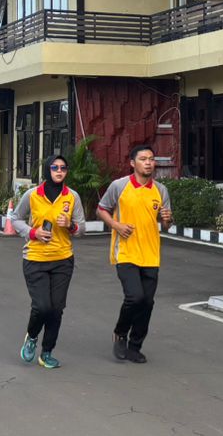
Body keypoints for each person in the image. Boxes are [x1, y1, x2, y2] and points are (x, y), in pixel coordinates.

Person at [97, 144, 172, 364]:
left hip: (151, 254)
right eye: (143, 159)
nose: (148, 163)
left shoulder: (161, 190)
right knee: (135, 297)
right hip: (126, 252)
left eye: (151, 159)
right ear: (132, 163)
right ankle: (120, 333)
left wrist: (167, 219)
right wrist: (116, 225)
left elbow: (166, 224)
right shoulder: (119, 186)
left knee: (147, 302)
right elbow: (101, 209)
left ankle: (135, 346)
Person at [10, 156, 85, 370]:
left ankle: (47, 352)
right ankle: (32, 336)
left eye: (63, 168)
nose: (59, 171)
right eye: (55, 167)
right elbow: (15, 219)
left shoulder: (72, 196)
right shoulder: (32, 195)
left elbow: (81, 229)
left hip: (63, 259)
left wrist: (70, 225)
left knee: (56, 309)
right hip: (35, 259)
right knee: (42, 306)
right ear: (47, 170)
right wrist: (33, 233)